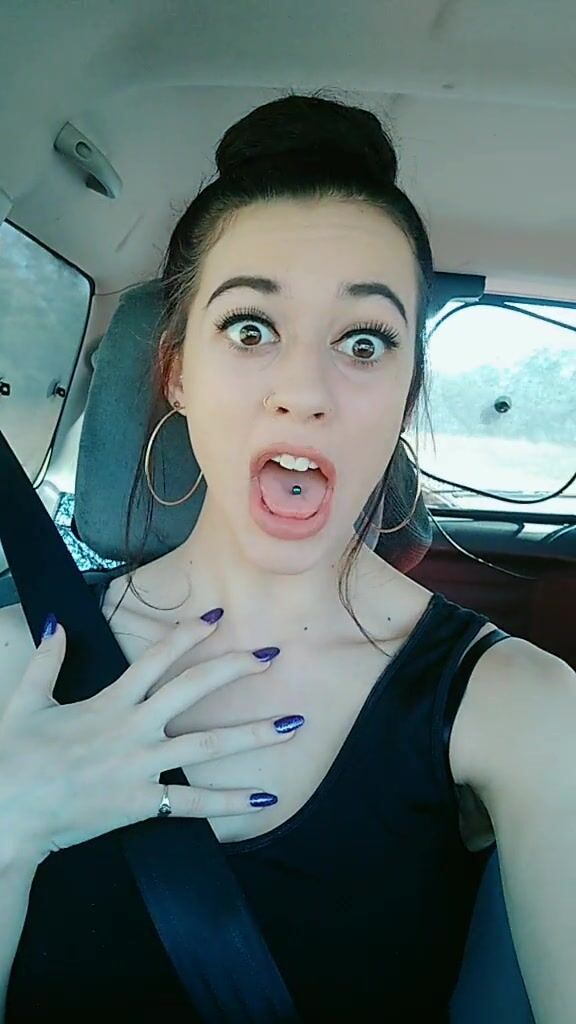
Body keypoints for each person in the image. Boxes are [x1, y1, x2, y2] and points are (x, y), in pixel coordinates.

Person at [0, 93, 574, 1023]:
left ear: (405, 392)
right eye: (251, 329)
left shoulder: (526, 711)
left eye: (364, 341)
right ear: (178, 371)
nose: (304, 391)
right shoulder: (13, 660)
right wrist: (9, 827)